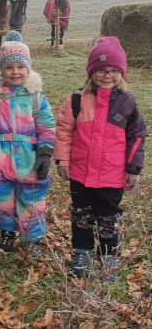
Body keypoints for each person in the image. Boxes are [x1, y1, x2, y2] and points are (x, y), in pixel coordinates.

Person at [54, 37, 146, 281]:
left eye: (114, 70)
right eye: (101, 70)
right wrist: (62, 160)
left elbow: (137, 137)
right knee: (81, 215)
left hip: (112, 175)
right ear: (91, 72)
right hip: (80, 172)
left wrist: (134, 169)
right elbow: (64, 130)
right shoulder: (76, 100)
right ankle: (81, 254)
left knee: (108, 219)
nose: (108, 75)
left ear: (122, 72)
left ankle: (108, 259)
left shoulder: (128, 104)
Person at [0, 31, 55, 256]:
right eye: (9, 67)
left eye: (20, 67)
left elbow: (47, 128)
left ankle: (32, 239)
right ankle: (6, 233)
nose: (15, 72)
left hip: (30, 160)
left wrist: (45, 153)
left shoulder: (37, 99)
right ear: (2, 71)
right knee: (1, 200)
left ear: (28, 69)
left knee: (32, 202)